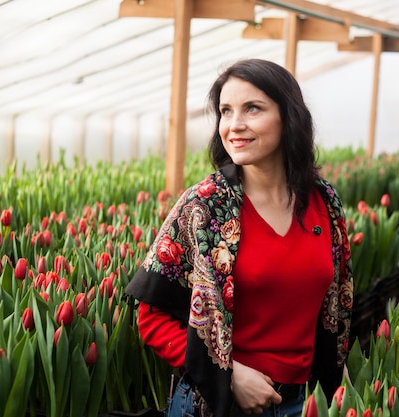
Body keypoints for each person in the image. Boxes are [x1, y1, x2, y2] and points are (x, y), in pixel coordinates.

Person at [124, 58, 354, 417]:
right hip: (218, 403)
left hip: (305, 402)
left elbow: (336, 309)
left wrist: (341, 388)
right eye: (226, 111)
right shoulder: (204, 206)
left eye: (253, 109)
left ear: (289, 117)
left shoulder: (324, 202)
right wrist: (229, 373)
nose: (234, 125)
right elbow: (150, 318)